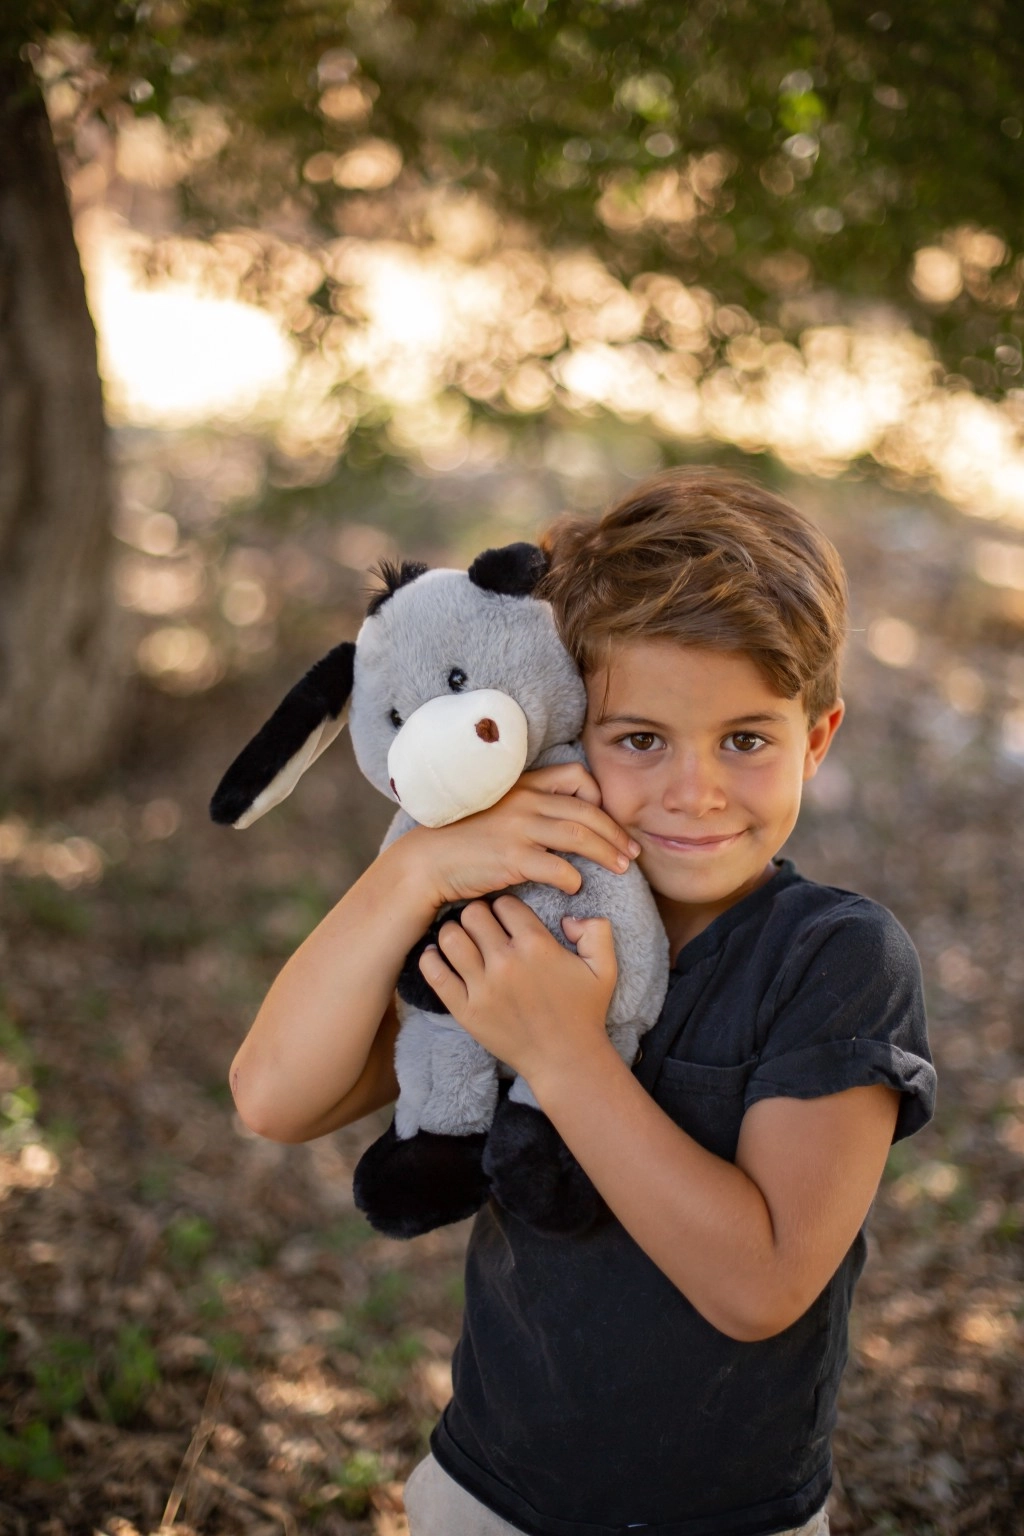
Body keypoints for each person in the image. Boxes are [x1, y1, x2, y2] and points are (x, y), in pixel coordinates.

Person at [229, 467, 936, 1536]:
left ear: (816, 737)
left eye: (745, 739)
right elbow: (274, 1098)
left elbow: (761, 1287)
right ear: (562, 725)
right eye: (639, 738)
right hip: (483, 1494)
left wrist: (564, 1056)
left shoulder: (834, 959)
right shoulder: (522, 914)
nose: (694, 791)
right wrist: (413, 871)